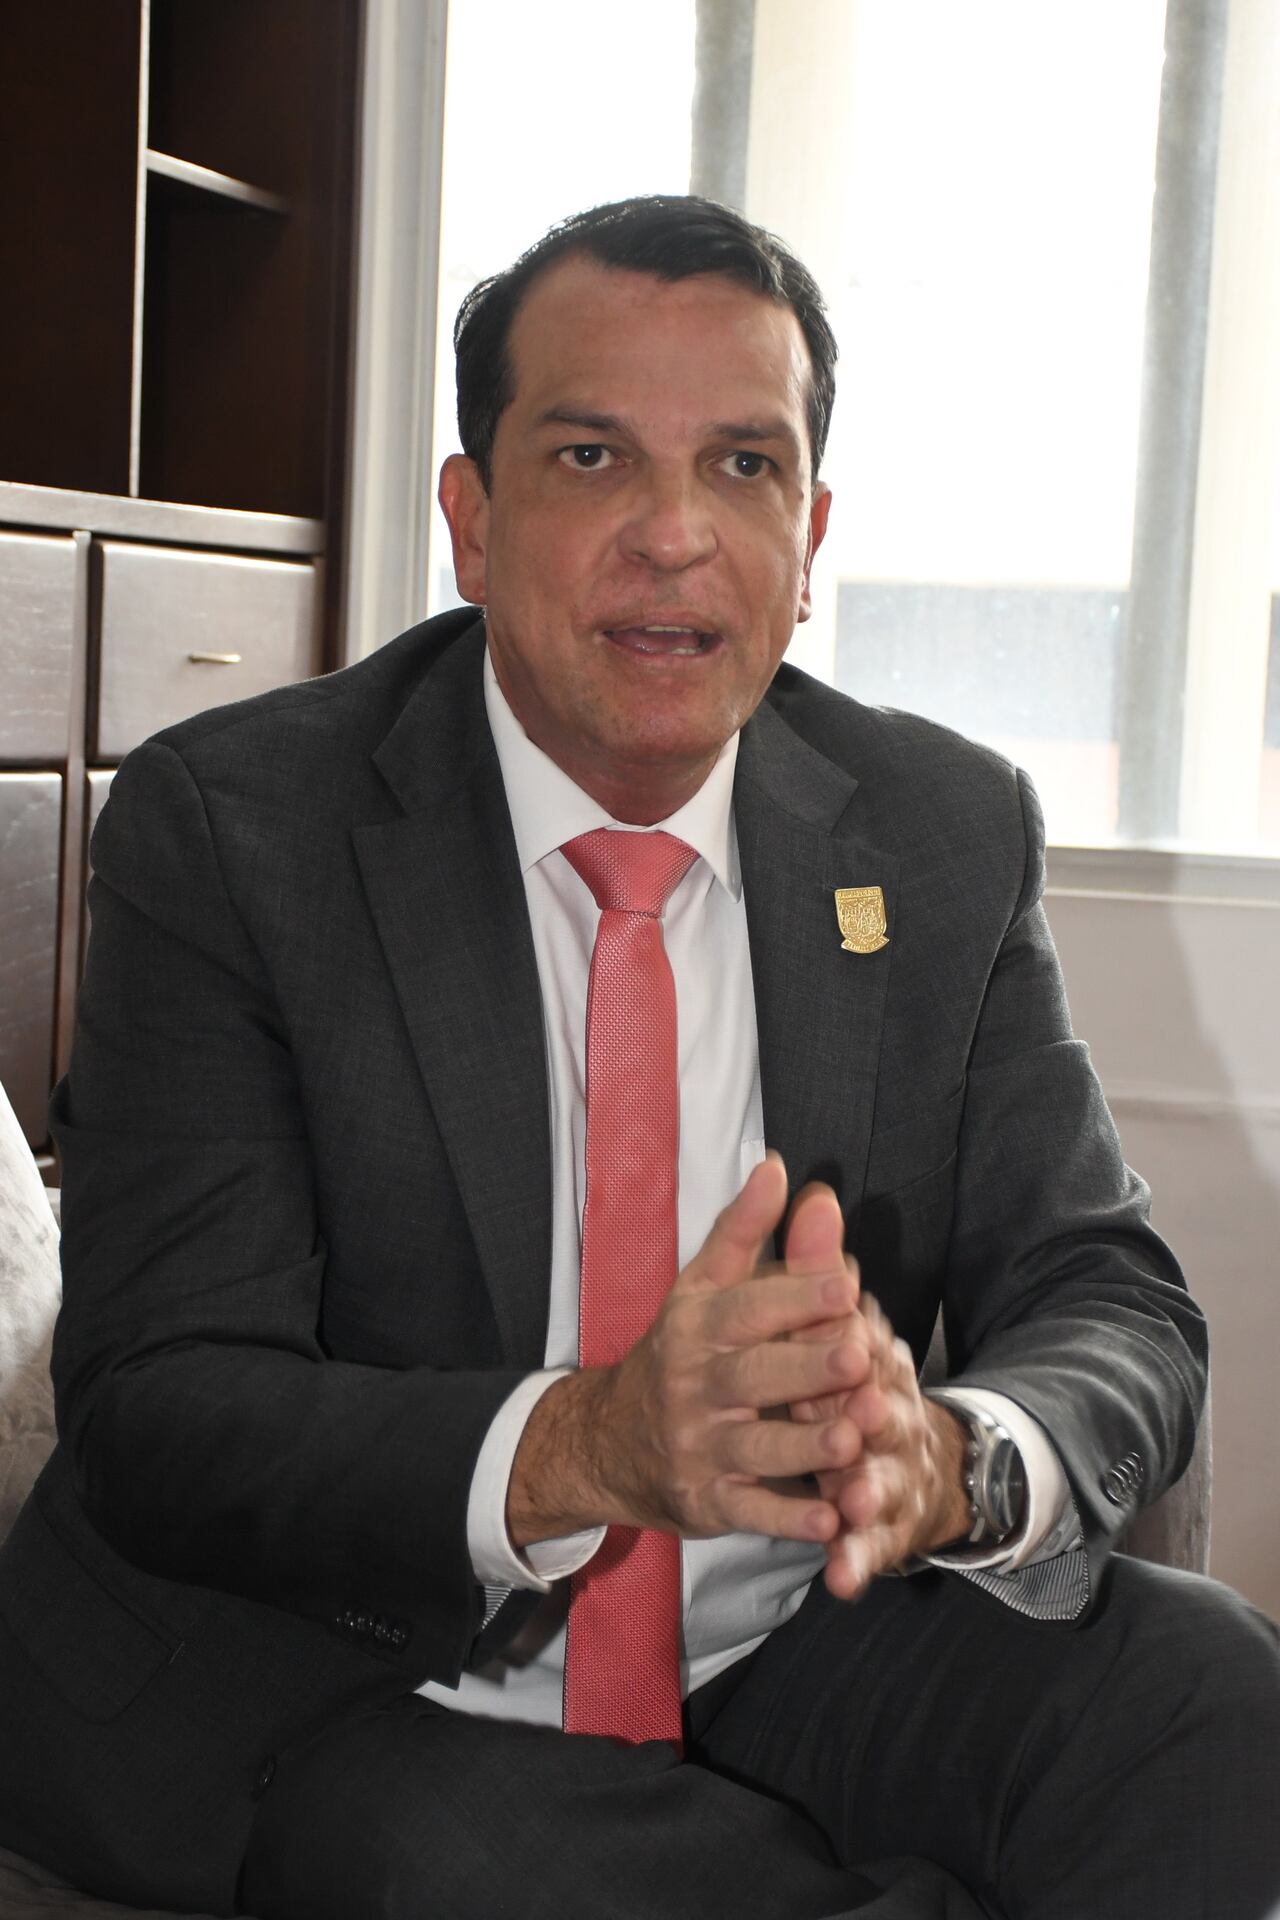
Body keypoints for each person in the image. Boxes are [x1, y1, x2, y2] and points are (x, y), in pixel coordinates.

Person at [0, 195, 1276, 1920]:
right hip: (349, 1674)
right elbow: (163, 1401)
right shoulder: (237, 830)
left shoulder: (940, 831)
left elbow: (1110, 1297)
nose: (676, 537)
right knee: (479, 1869)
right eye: (593, 457)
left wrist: (957, 1459)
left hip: (778, 1644)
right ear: (471, 519)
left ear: (810, 537)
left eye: (744, 466)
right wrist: (586, 1446)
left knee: (1210, 1692)